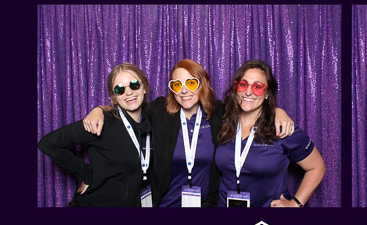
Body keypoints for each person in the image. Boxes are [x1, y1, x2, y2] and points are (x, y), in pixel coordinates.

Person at [82, 59, 295, 206]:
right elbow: (129, 108)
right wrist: (100, 110)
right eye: (177, 84)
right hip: (166, 205)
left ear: (202, 83)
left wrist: (277, 111)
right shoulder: (161, 112)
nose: (184, 90)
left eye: (191, 82)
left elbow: (249, 105)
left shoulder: (219, 112)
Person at [38, 63, 153, 207]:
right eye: (120, 89)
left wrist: (100, 108)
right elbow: (48, 143)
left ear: (145, 87)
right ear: (115, 97)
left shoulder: (152, 118)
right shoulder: (103, 123)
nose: (128, 92)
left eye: (134, 85)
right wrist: (87, 174)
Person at [215, 59, 326, 207]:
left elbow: (317, 167)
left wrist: (295, 204)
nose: (248, 92)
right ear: (236, 88)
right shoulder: (223, 122)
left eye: (257, 87)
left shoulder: (282, 128)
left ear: (267, 93)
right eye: (243, 84)